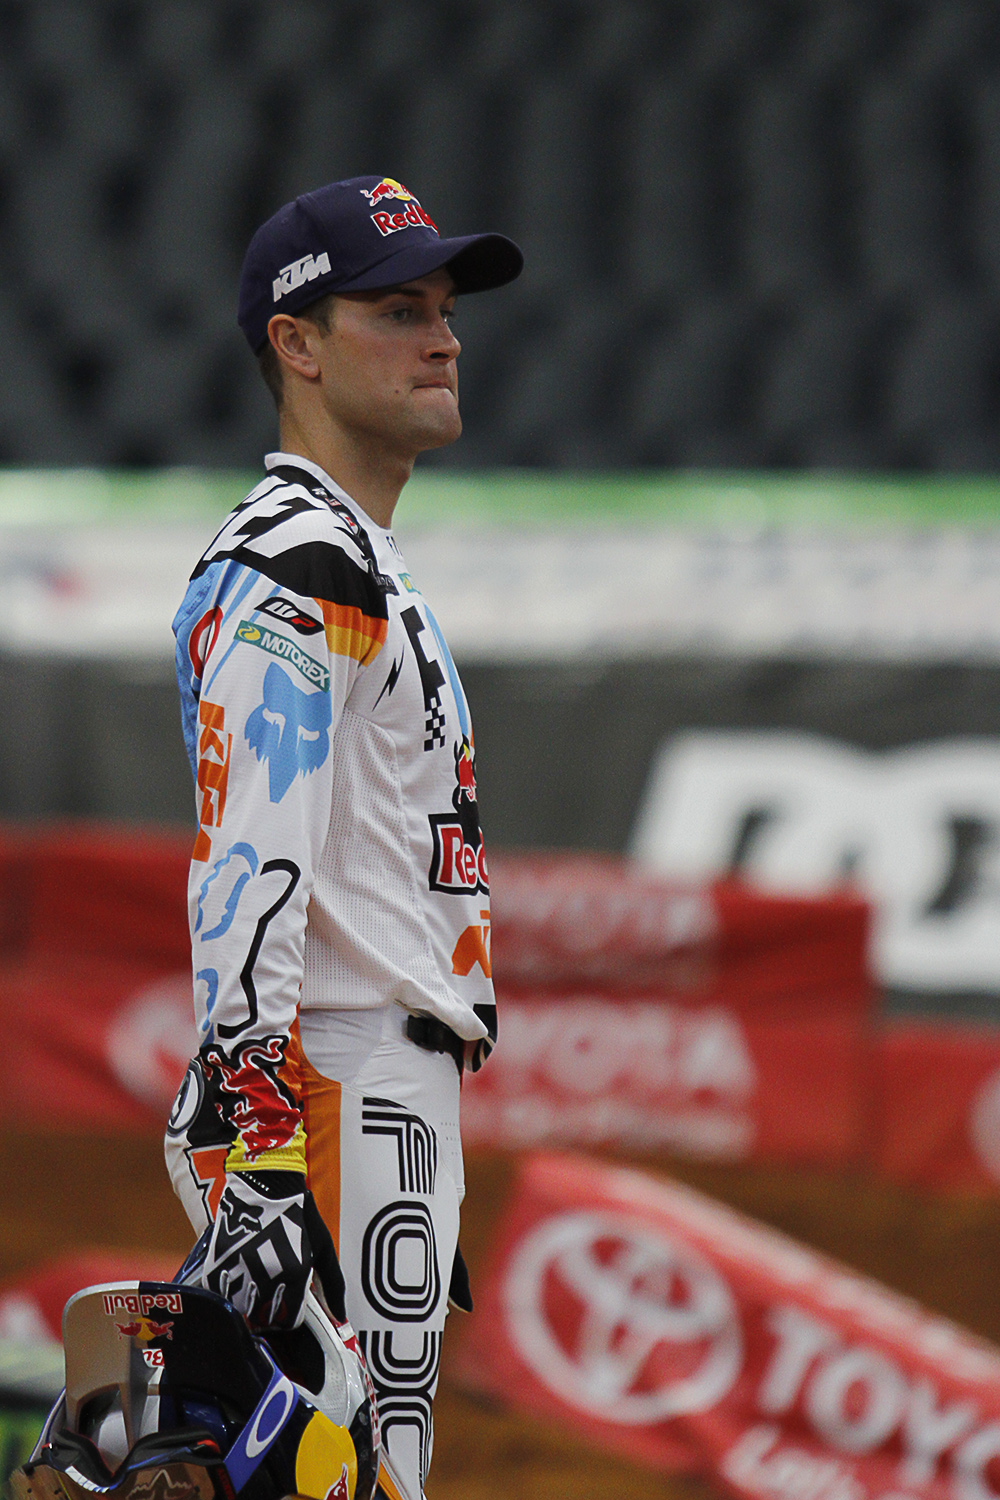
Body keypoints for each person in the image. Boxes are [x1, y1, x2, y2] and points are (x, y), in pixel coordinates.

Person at [164, 175, 522, 1500]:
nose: (445, 337)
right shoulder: (297, 563)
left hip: (373, 1092)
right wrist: (264, 1151)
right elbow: (247, 865)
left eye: (444, 309)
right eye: (397, 308)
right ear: (296, 344)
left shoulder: (349, 555)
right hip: (332, 1085)